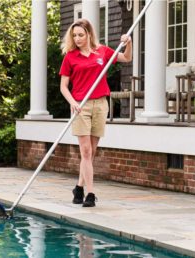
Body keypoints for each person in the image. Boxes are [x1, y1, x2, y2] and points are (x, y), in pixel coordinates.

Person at [59, 19, 132, 207]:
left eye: (80, 35)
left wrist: (129, 43)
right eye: (74, 35)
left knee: (91, 153)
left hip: (100, 104)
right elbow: (63, 87)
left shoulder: (102, 51)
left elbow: (126, 58)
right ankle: (90, 194)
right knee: (85, 151)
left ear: (89, 34)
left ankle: (79, 187)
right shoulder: (70, 57)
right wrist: (73, 102)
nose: (77, 39)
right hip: (80, 106)